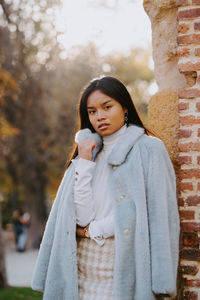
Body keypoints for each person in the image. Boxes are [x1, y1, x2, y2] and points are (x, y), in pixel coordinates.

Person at [31, 76, 180, 300]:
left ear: (125, 107)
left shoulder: (150, 150)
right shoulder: (87, 155)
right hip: (81, 265)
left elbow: (160, 214)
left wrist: (95, 230)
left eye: (107, 107)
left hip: (124, 265)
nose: (99, 116)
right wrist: (84, 160)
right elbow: (81, 216)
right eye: (92, 111)